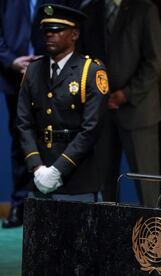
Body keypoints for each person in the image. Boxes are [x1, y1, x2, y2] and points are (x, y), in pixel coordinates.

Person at [0, 0, 81, 228]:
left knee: (57, 136)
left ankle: (52, 204)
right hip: (14, 76)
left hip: (55, 74)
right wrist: (11, 60)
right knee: (20, 140)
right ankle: (20, 205)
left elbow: (72, 30)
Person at [16, 3, 108, 202]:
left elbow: (91, 129)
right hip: (39, 177)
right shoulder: (33, 71)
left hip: (78, 179)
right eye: (46, 30)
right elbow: (24, 123)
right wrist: (37, 167)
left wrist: (58, 170)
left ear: (74, 34)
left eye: (57, 30)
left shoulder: (90, 71)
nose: (50, 35)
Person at [80, 0, 161, 206]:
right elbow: (82, 59)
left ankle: (154, 233)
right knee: (103, 185)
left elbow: (155, 60)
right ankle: (107, 235)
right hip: (100, 111)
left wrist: (126, 94)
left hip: (138, 111)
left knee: (148, 186)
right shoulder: (89, 10)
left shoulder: (144, 9)